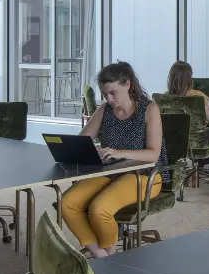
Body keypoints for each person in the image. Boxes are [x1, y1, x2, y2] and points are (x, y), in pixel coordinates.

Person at [61, 62, 168, 259]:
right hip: (109, 172)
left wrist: (119, 152)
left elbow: (153, 155)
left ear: (128, 84)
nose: (109, 99)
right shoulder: (105, 109)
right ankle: (103, 258)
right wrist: (87, 147)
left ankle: (109, 259)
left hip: (144, 175)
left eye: (113, 93)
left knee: (99, 209)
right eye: (104, 95)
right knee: (67, 203)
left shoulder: (149, 109)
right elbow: (82, 139)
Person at [167, 61, 209, 127]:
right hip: (195, 136)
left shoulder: (164, 97)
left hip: (172, 136)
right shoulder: (198, 97)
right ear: (189, 78)